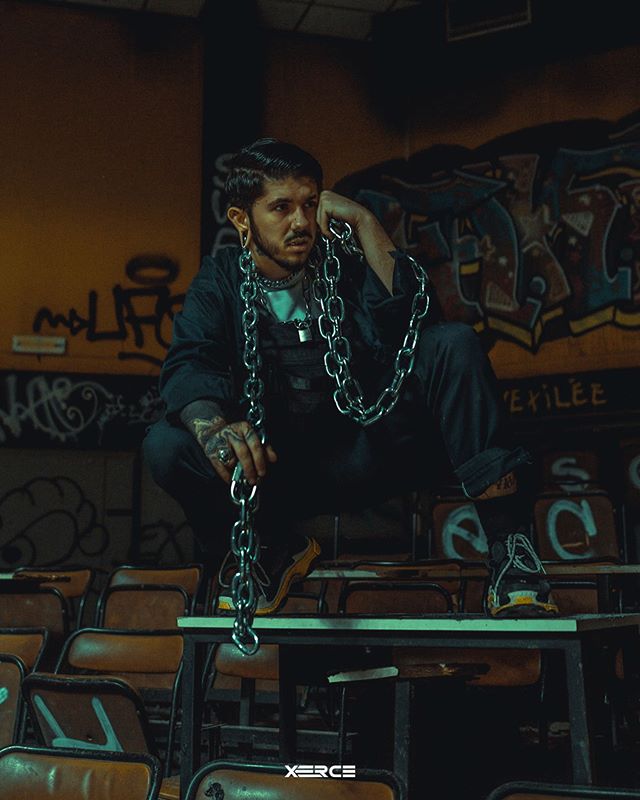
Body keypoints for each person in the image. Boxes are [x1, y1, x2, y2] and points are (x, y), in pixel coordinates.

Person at [143, 138, 558, 618]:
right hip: (278, 470)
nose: (300, 222)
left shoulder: (345, 265)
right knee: (166, 444)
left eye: (310, 204)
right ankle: (271, 551)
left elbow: (418, 326)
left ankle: (511, 552)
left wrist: (365, 222)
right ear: (242, 219)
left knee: (454, 343)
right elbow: (190, 362)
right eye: (281, 207)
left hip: (368, 450)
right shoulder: (219, 281)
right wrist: (215, 428)